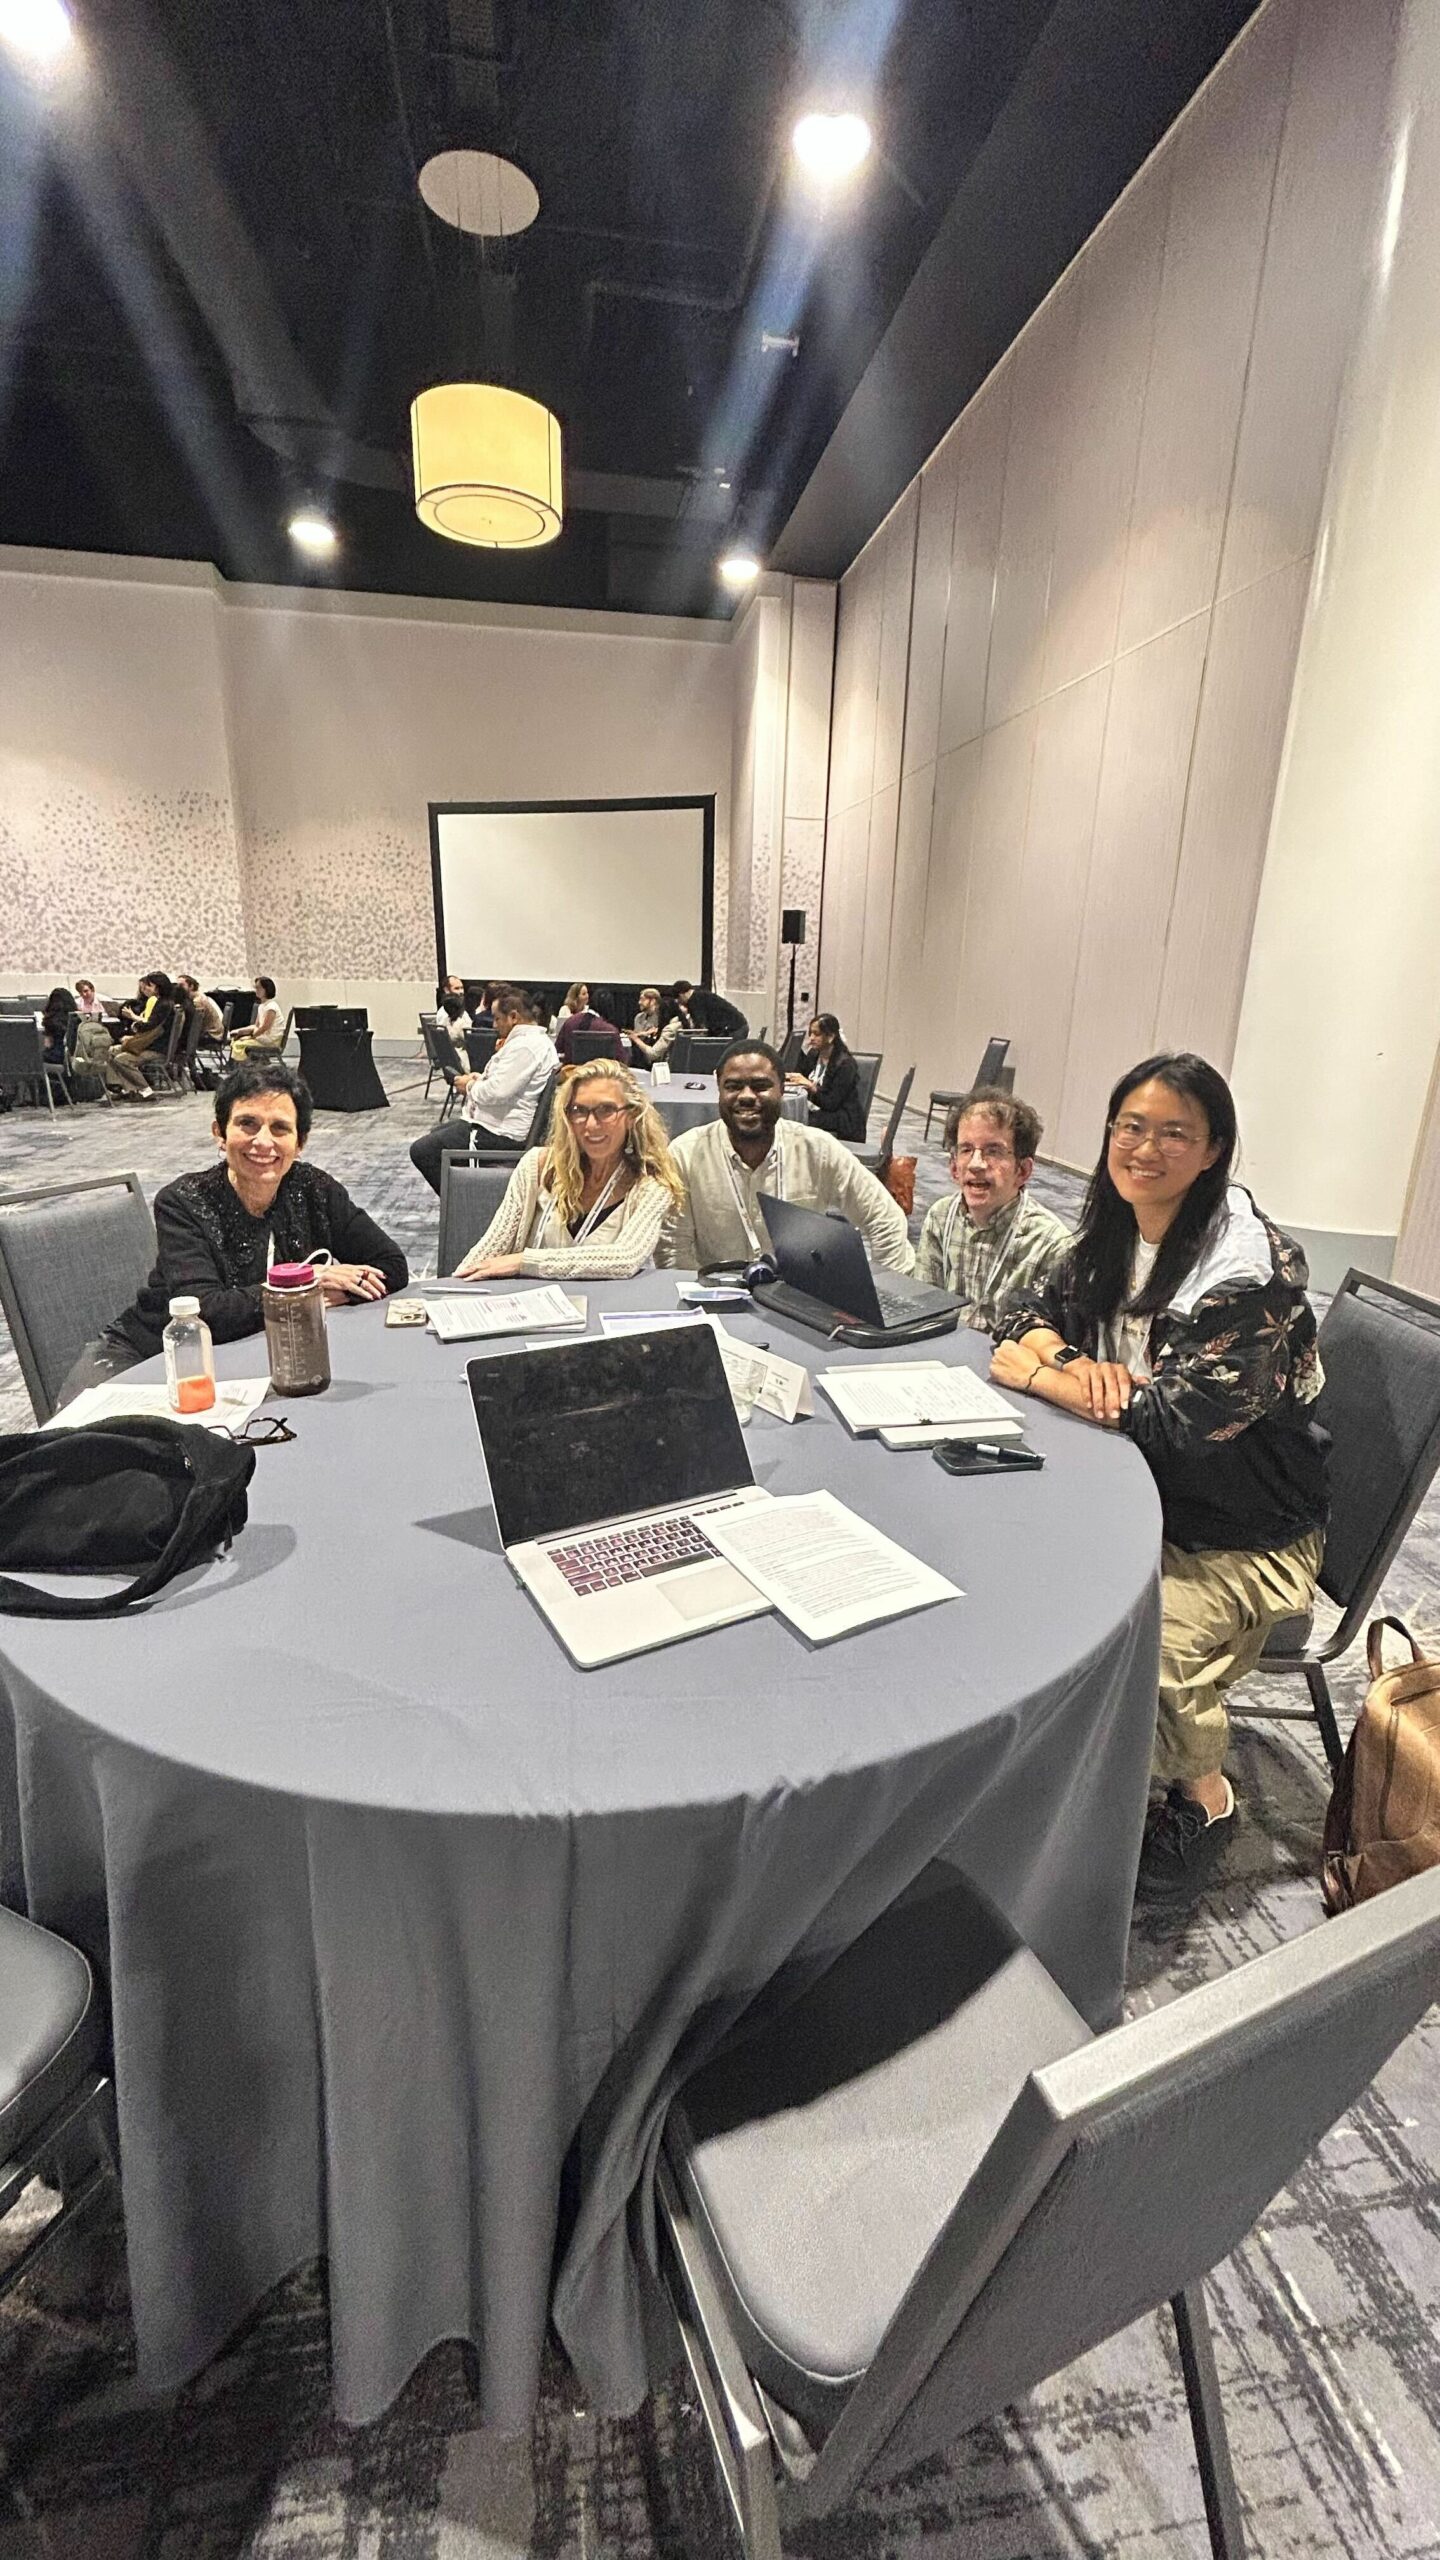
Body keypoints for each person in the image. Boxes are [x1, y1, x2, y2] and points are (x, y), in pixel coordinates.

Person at [989, 1052, 1328, 1910]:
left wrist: (1039, 1377)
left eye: (1175, 1132)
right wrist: (1068, 1355)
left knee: (1150, 1646)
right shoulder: (1115, 1229)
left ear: (1214, 1151)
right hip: (1134, 1490)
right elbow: (1019, 1313)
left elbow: (1174, 1431)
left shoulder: (1250, 1275)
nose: (1145, 1147)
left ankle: (1204, 1798)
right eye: (1130, 1126)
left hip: (1246, 1532)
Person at [57, 1058, 408, 1402]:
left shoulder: (314, 1189)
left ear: (299, 1142)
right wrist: (307, 1289)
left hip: (246, 1360)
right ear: (220, 1133)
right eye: (247, 1124)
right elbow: (205, 1312)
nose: (263, 1141)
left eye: (280, 1128)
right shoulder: (183, 1202)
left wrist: (304, 1297)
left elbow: (391, 1265)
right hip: (150, 1359)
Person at [659, 1041, 914, 1273]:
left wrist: (884, 1294)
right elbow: (672, 1248)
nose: (746, 1096)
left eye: (760, 1086)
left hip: (797, 1298)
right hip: (716, 1298)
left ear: (782, 1089)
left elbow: (885, 1220)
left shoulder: (817, 1149)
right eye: (733, 1086)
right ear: (719, 1089)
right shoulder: (685, 1155)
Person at [454, 1061, 686, 1281]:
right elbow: (490, 1249)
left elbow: (624, 1258)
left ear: (631, 1116)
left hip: (605, 1311)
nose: (591, 1125)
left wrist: (524, 1261)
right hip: (534, 1308)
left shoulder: (651, 1183)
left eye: (606, 1110)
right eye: (579, 1111)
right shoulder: (536, 1166)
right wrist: (452, 1289)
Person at [915, 1086, 1071, 1331]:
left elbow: (1048, 1342)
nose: (976, 1164)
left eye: (993, 1151)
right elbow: (923, 1310)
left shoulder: (1050, 1245)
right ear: (954, 1168)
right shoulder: (940, 1218)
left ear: (1023, 1171)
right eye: (966, 1150)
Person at [409, 984, 559, 1194]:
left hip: (501, 1133)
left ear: (513, 1017)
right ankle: (463, 1200)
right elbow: (504, 1084)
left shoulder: (526, 1047)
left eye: (497, 1018)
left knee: (422, 1150)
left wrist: (469, 1085)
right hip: (496, 1125)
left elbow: (496, 1092)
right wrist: (479, 1079)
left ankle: (463, 1205)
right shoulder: (531, 1043)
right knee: (436, 1135)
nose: (495, 1025)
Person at [785, 1013, 866, 1141]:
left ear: (830, 1037)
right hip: (820, 1111)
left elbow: (831, 1103)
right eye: (810, 1033)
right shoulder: (814, 1054)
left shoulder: (845, 1064)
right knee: (788, 1116)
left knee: (796, 1122)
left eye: (816, 1034)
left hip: (842, 1119)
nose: (811, 1038)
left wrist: (811, 1087)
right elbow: (801, 1076)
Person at [104, 969, 177, 1098]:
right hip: (153, 1043)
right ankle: (123, 1088)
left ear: (158, 987)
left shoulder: (163, 1005)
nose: (145, 988)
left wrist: (134, 1024)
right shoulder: (164, 1003)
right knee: (111, 1051)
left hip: (156, 1048)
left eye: (149, 985)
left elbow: (148, 1026)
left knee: (122, 1059)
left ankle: (145, 1090)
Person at [554, 992, 623, 1065]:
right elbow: (621, 1061)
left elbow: (558, 1050)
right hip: (599, 1075)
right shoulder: (611, 1031)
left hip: (572, 1074)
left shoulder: (570, 1022)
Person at [230, 975, 283, 1056]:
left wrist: (251, 1037)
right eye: (256, 988)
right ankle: (236, 1064)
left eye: (259, 988)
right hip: (262, 1037)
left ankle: (243, 1065)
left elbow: (265, 1027)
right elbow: (256, 1026)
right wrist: (239, 1031)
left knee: (238, 1044)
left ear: (267, 989)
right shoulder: (262, 1006)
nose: (256, 990)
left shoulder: (271, 1007)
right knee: (235, 1040)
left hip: (270, 1040)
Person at [177, 976, 226, 1043]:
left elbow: (195, 1024)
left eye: (181, 985)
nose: (179, 988)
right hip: (215, 1032)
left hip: (212, 1035)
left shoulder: (198, 1001)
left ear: (191, 986)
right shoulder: (200, 996)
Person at [40, 985, 76, 1068]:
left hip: (57, 1056)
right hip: (73, 1057)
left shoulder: (51, 1021)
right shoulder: (75, 1018)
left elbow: (48, 1044)